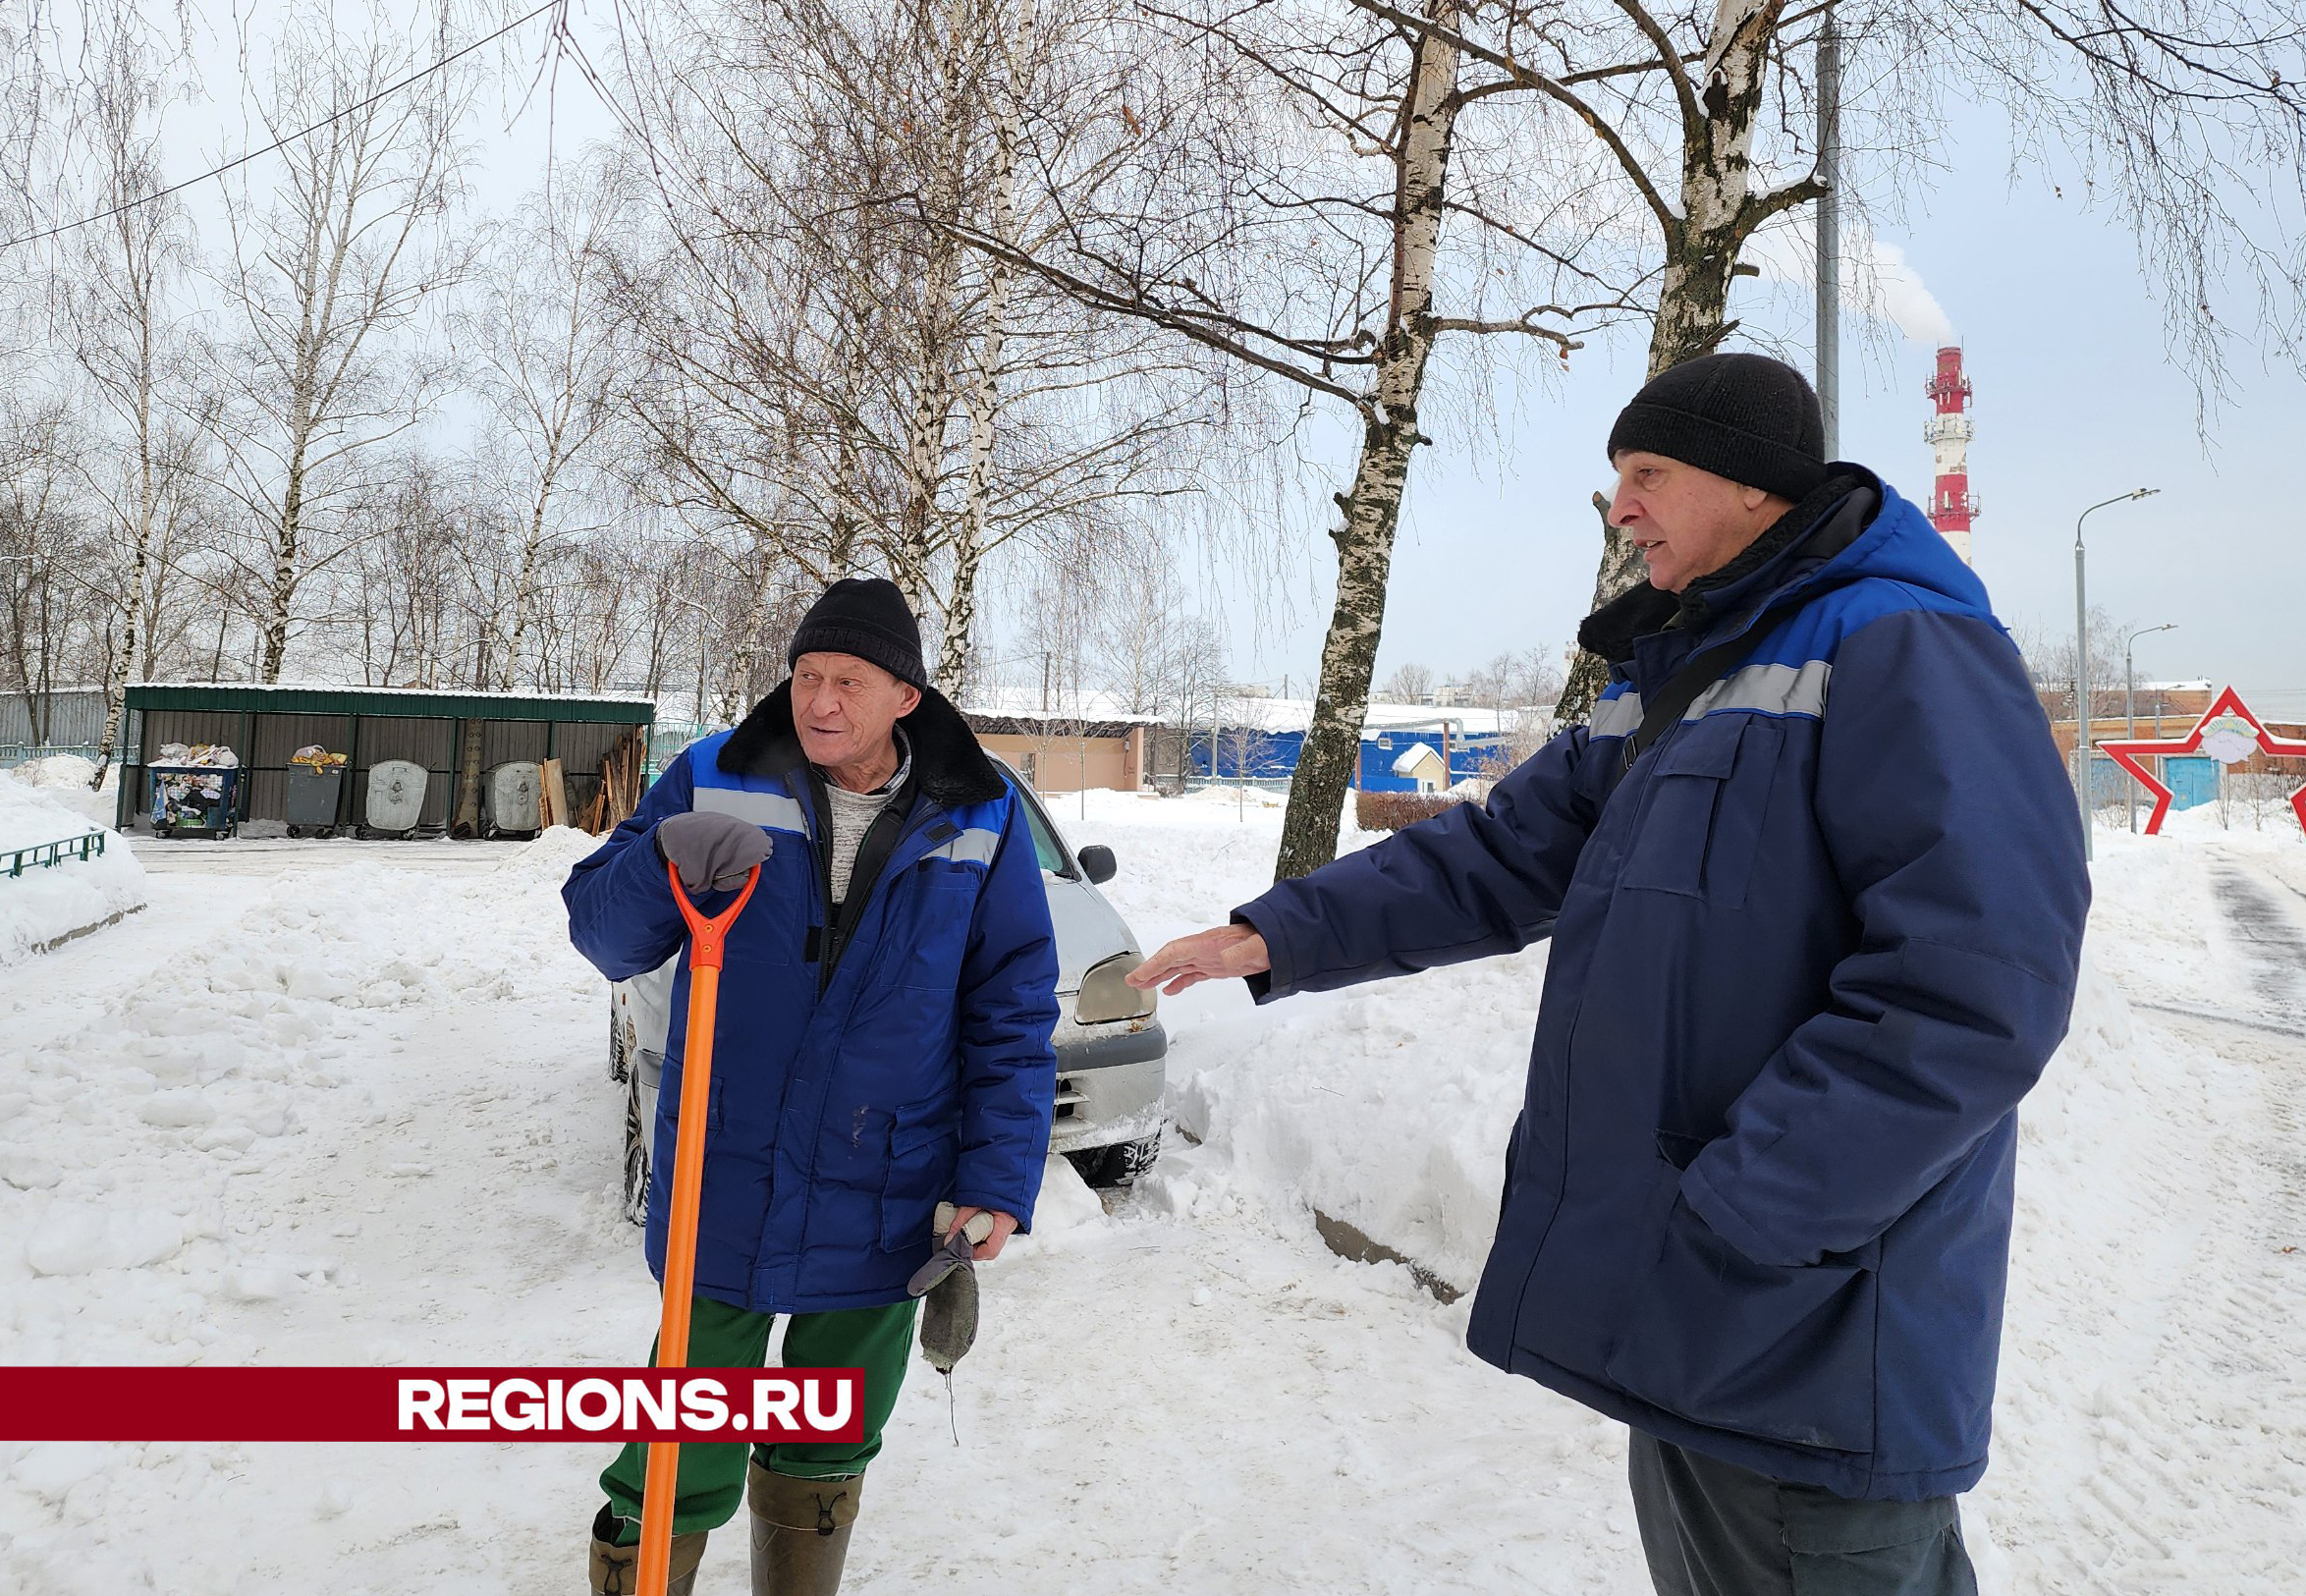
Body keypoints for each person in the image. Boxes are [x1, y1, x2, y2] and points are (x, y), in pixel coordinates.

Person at [1129, 353, 2089, 1595]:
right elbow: (1501, 848)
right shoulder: (1685, 671)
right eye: (1614, 480)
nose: (1618, 506)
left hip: (1811, 1323)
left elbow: (1976, 982)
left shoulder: (1904, 644)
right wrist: (1277, 934)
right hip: (1706, 1314)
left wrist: (1752, 1210)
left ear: (1752, 492)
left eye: (1648, 474)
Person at [564, 577, 1060, 1596]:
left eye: (847, 680)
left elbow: (1010, 1004)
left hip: (886, 1182)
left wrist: (997, 1175)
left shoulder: (981, 810)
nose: (819, 701)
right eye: (805, 675)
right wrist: (660, 860)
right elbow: (604, 937)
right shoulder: (713, 774)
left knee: (827, 1433)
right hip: (726, 1177)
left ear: (905, 697)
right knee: (679, 1443)